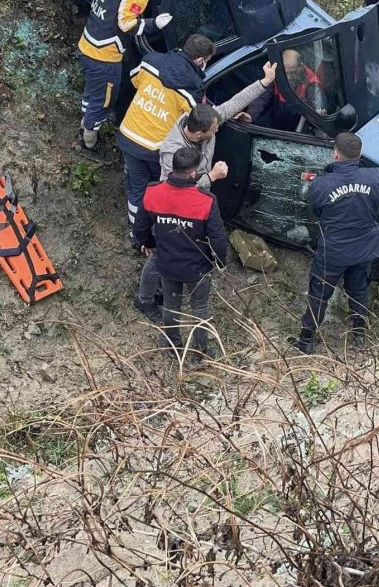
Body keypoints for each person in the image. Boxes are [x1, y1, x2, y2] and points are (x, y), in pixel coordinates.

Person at [135, 61, 278, 319]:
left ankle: (159, 292)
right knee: (157, 256)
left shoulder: (202, 122)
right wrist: (211, 176)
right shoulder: (172, 150)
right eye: (214, 130)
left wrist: (264, 82)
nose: (217, 129)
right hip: (172, 206)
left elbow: (230, 105)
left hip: (193, 201)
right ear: (199, 133)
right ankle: (146, 300)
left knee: (171, 255)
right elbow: (173, 186)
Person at [289, 132, 379, 355]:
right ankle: (359, 336)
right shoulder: (375, 177)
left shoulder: (321, 184)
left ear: (335, 154)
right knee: (359, 289)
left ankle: (306, 340)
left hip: (333, 251)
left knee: (319, 294)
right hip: (365, 247)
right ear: (360, 153)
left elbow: (316, 211)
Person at [132, 146, 227, 360]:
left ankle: (173, 344)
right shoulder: (206, 201)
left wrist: (147, 243)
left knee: (171, 305)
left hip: (167, 264)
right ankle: (198, 351)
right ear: (194, 173)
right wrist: (220, 261)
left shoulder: (153, 192)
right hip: (197, 267)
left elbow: (140, 227)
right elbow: (218, 237)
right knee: (200, 308)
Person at [117, 33, 214, 235]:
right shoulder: (193, 89)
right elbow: (193, 120)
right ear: (199, 61)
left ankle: (137, 234)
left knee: (136, 188)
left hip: (130, 135)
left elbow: (134, 79)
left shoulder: (150, 61)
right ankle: (152, 231)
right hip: (157, 149)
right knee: (156, 190)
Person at [76, 0, 172, 158]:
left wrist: (104, 15)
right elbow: (127, 25)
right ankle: (88, 143)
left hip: (87, 44)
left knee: (92, 90)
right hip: (105, 58)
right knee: (103, 100)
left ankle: (86, 120)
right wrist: (154, 24)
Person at [246, 49, 328, 131]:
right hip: (276, 118)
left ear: (301, 67)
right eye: (286, 73)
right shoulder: (275, 75)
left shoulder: (311, 82)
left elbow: (317, 100)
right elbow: (261, 99)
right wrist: (250, 116)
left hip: (298, 123)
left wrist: (319, 110)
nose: (289, 77)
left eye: (292, 73)